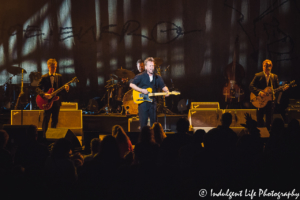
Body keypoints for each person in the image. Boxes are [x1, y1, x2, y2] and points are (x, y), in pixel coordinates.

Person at [130, 57, 169, 129]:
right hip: (143, 103)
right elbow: (131, 84)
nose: (152, 67)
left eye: (153, 66)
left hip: (153, 103)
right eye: (150, 66)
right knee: (143, 124)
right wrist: (141, 90)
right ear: (146, 67)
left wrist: (167, 91)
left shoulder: (157, 77)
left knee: (154, 124)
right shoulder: (140, 76)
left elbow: (163, 86)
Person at [249, 59, 288, 130]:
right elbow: (251, 86)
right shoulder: (258, 75)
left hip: (270, 101)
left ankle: (268, 134)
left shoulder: (274, 76)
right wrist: (259, 92)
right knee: (260, 119)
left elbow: (277, 88)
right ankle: (259, 135)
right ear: (262, 66)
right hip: (260, 101)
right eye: (265, 66)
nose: (267, 67)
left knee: (269, 120)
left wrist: (283, 88)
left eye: (268, 65)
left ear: (271, 67)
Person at [36, 58, 69, 136]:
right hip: (46, 102)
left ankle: (52, 136)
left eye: (55, 67)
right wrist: (44, 94)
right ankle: (44, 136)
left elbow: (61, 90)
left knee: (55, 120)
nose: (54, 69)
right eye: (52, 67)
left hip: (56, 102)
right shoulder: (44, 77)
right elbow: (37, 88)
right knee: (46, 120)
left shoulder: (59, 77)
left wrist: (66, 89)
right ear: (48, 67)